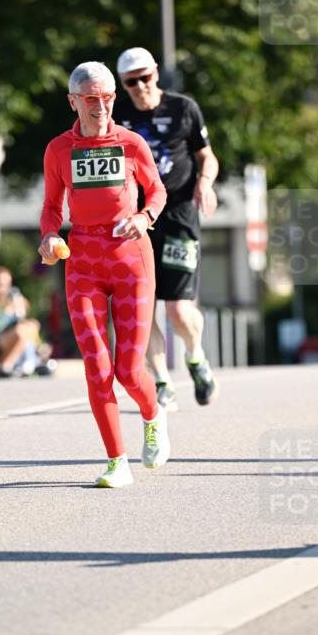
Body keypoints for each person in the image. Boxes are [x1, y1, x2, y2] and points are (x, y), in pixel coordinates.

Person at [39, 61, 168, 488]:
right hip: (83, 260)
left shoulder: (132, 144)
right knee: (97, 369)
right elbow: (53, 208)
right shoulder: (59, 150)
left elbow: (158, 191)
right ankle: (117, 461)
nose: (101, 107)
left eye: (108, 98)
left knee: (130, 370)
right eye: (91, 99)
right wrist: (47, 237)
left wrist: (145, 216)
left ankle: (153, 415)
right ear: (73, 101)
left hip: (131, 257)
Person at [114, 47, 220, 412]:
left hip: (177, 214)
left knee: (177, 309)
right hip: (135, 219)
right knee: (140, 308)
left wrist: (205, 183)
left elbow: (206, 155)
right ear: (123, 86)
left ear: (156, 74)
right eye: (132, 81)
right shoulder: (117, 116)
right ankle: (161, 381)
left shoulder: (183, 108)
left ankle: (196, 358)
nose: (141, 86)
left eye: (146, 77)